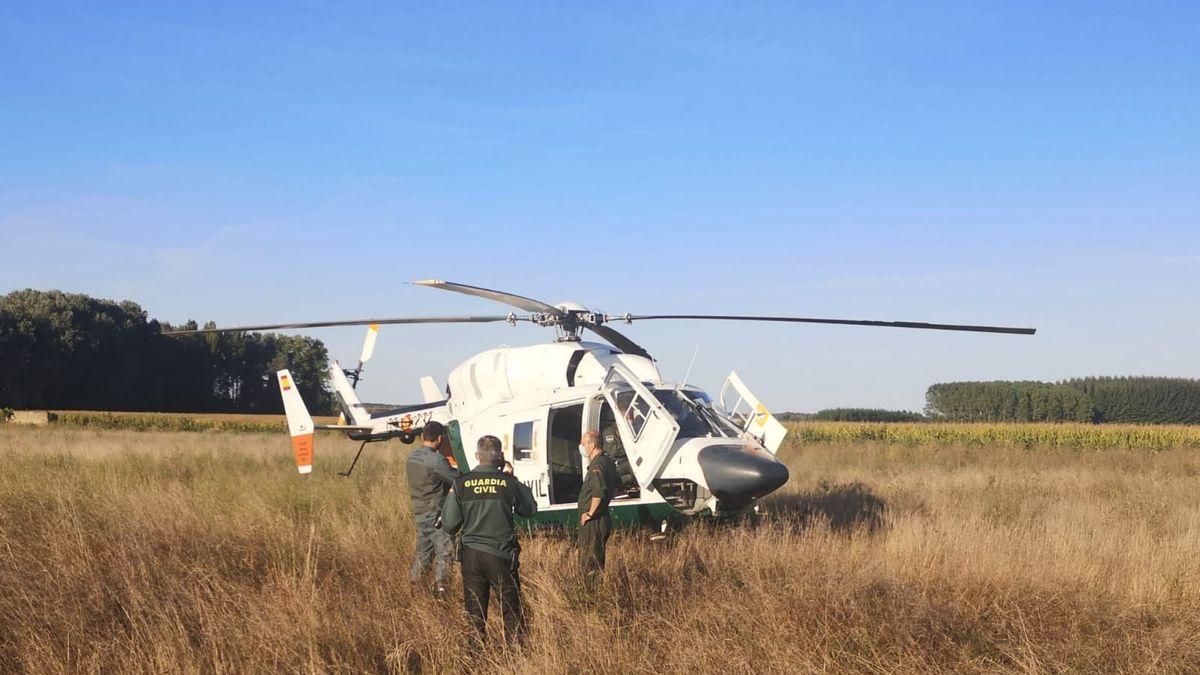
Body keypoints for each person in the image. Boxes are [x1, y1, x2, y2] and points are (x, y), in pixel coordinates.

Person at [440, 435, 537, 645]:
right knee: (510, 610)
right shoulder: (508, 482)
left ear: (477, 456)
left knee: (475, 613)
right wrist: (513, 478)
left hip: (471, 556)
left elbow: (449, 524)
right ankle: (514, 657)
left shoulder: (461, 483)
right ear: (500, 457)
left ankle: (476, 658)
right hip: (501, 556)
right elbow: (529, 509)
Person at [406, 420, 458, 594]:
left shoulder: (412, 457)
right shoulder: (436, 460)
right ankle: (442, 589)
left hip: (419, 512)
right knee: (446, 552)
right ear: (440, 439)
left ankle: (414, 588)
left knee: (423, 553)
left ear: (422, 436)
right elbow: (455, 479)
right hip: (436, 514)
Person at [577, 429, 618, 581]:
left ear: (592, 445)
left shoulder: (597, 464)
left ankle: (590, 594)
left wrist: (590, 513)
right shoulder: (607, 461)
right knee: (595, 557)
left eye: (583, 444)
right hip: (600, 517)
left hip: (593, 521)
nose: (581, 447)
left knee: (590, 560)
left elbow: (598, 492)